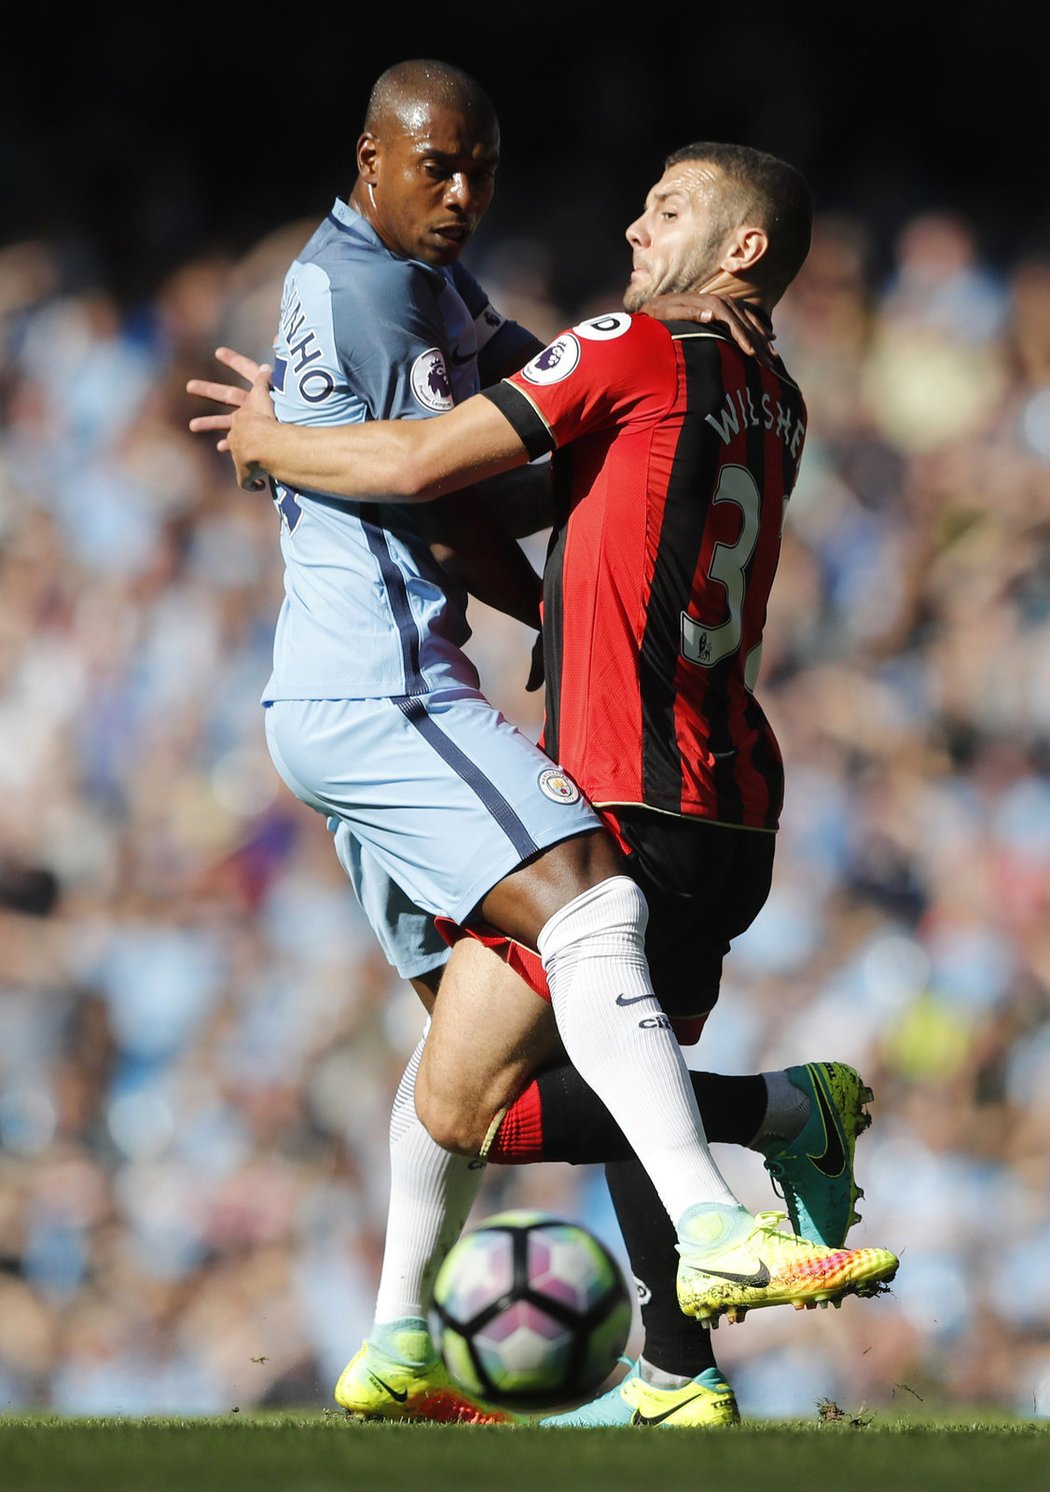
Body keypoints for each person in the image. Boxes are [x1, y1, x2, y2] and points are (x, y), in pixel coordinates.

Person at [188, 126, 901, 1426]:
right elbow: (564, 519)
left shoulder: (632, 347)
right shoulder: (771, 393)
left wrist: (277, 442)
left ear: (740, 247)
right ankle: (680, 1377)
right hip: (728, 797)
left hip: (617, 785)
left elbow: (419, 464)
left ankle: (780, 1121)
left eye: (665, 208)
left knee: (472, 1112)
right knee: (629, 1077)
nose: (633, 230)